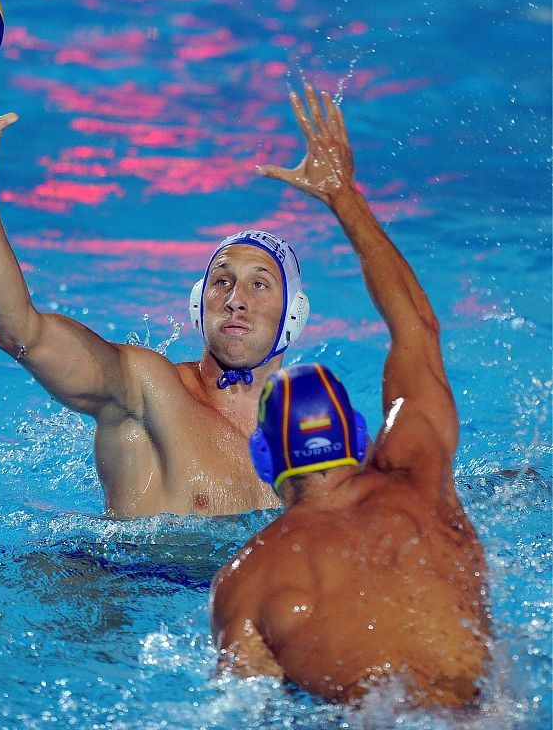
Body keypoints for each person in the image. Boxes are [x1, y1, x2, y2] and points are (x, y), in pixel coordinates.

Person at [209, 86, 490, 707]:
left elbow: (242, 713)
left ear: (264, 461)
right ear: (362, 440)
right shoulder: (421, 480)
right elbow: (417, 327)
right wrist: (343, 196)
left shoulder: (250, 580)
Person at [0, 87, 311, 517]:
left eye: (259, 285)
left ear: (294, 314)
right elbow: (21, 333)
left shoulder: (308, 442)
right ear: (199, 305)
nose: (235, 300)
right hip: (120, 577)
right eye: (222, 281)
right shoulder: (149, 388)